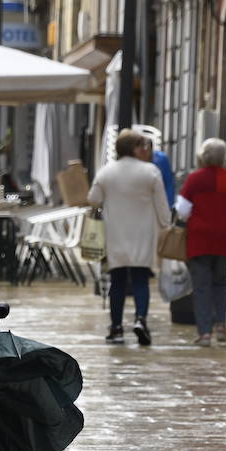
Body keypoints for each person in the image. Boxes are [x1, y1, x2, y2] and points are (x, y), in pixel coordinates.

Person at [87, 129, 171, 346]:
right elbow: (162, 205)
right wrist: (166, 226)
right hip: (143, 233)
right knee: (141, 278)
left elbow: (93, 198)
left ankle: (116, 328)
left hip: (116, 234)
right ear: (133, 148)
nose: (145, 150)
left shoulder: (107, 172)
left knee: (118, 281)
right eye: (141, 146)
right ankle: (141, 320)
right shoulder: (150, 171)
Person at [176, 138, 226, 347]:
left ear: (203, 156)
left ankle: (205, 332)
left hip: (200, 240)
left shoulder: (194, 180)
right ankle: (221, 326)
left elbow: (182, 211)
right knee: (220, 282)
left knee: (201, 286)